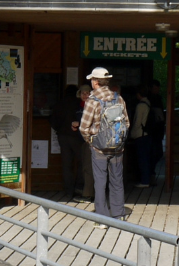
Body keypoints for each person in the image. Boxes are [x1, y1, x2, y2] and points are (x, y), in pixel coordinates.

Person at [80, 68, 130, 221]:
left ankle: (102, 218)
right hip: (117, 147)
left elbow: (83, 127)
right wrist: (119, 140)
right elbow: (126, 123)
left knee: (100, 182)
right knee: (117, 180)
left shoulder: (92, 101)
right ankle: (119, 213)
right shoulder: (118, 98)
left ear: (95, 82)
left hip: (99, 148)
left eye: (92, 80)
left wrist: (91, 140)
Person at [50, 85, 87, 198]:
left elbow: (52, 120)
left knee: (66, 164)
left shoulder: (59, 104)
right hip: (77, 137)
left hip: (62, 136)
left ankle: (68, 190)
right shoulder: (78, 104)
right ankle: (79, 187)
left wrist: (59, 129)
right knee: (82, 162)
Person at [130, 89, 153, 188]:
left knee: (142, 158)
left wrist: (131, 133)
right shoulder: (148, 103)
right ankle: (147, 179)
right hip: (147, 134)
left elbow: (137, 122)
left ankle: (144, 181)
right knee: (146, 158)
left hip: (140, 134)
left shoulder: (140, 106)